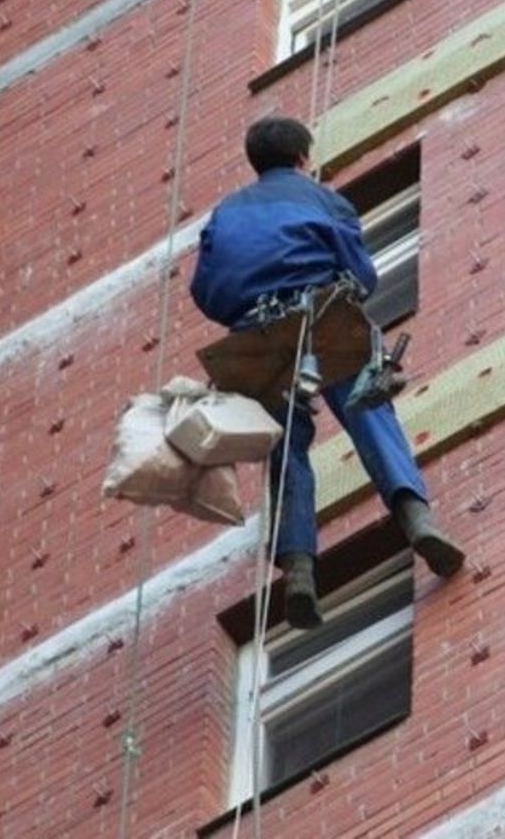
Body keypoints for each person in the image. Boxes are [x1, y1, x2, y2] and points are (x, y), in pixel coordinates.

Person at [190, 116, 465, 629]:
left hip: (257, 339)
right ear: (302, 158)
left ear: (258, 163)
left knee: (286, 446)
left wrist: (249, 314)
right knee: (370, 411)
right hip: (320, 317)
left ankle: (298, 568)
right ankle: (415, 517)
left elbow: (205, 290)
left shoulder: (224, 213)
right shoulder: (323, 199)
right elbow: (361, 275)